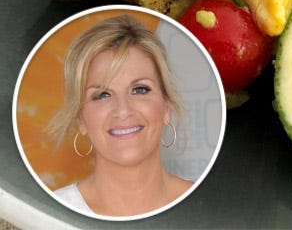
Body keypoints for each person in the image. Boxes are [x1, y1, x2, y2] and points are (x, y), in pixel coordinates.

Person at [45, 15, 193, 217]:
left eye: (140, 90)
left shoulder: (212, 208)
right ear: (81, 119)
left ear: (166, 107)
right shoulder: (48, 215)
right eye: (102, 95)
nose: (123, 110)